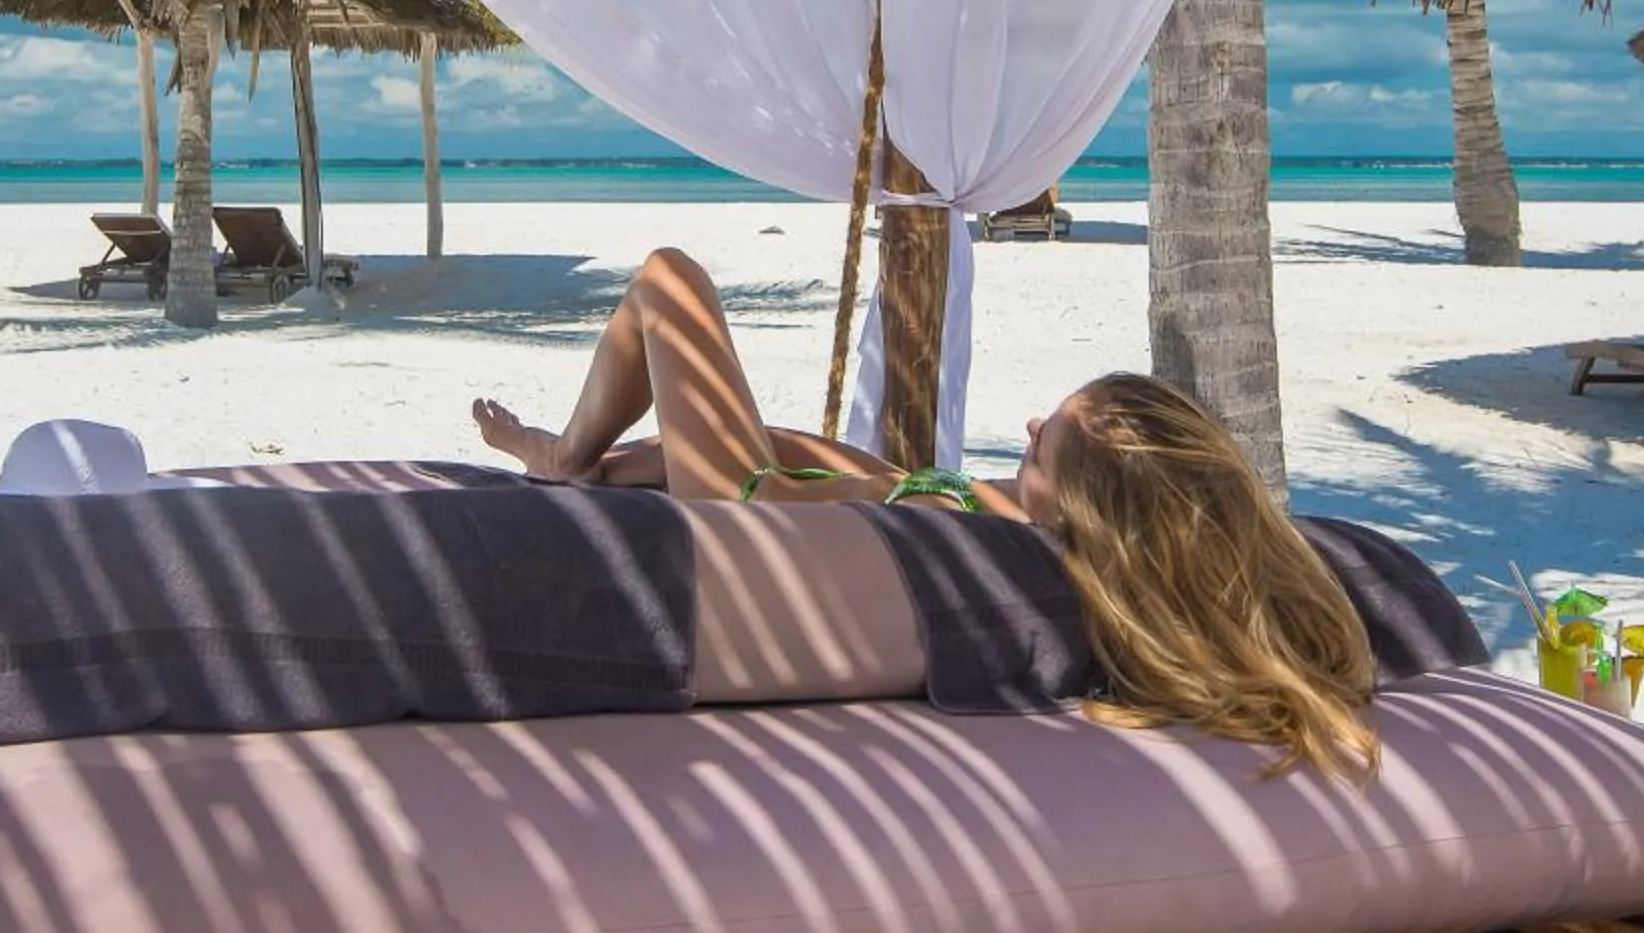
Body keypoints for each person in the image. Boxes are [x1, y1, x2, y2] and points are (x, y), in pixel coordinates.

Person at [474, 246, 1379, 778]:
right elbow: (882, 481)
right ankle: (580, 461)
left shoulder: (1009, 547)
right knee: (753, 434)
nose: (1031, 420)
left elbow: (826, 496)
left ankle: (569, 454)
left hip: (753, 531)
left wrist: (807, 474)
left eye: (1045, 435)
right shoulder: (1033, 528)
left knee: (670, 280)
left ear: (1095, 499)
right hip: (785, 502)